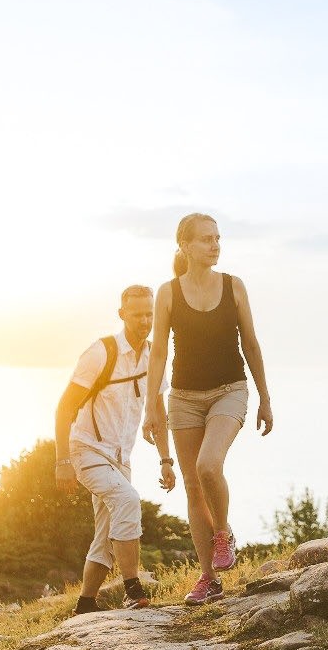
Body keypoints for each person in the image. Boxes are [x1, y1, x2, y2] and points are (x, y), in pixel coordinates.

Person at [143, 213, 273, 605]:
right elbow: (159, 353)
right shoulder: (168, 292)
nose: (214, 245)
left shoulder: (234, 286)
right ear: (184, 245)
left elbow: (250, 343)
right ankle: (209, 579)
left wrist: (265, 398)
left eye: (217, 238)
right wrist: (152, 406)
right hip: (183, 398)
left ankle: (223, 534)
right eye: (205, 239)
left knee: (207, 465)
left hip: (228, 391)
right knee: (193, 486)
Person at [55, 284, 175, 616]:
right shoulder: (101, 353)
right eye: (137, 315)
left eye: (150, 314)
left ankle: (85, 603)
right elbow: (64, 409)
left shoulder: (155, 356)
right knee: (127, 500)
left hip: (121, 459)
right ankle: (132, 589)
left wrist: (166, 459)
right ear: (122, 314)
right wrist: (62, 461)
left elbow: (158, 411)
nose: (145, 321)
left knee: (106, 533)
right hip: (87, 450)